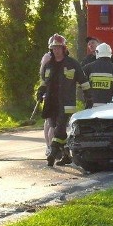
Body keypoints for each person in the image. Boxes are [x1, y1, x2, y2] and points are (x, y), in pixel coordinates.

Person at [39, 34, 92, 167]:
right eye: (54, 48)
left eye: (58, 47)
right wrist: (40, 92)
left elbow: (83, 81)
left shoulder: (72, 64)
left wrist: (88, 97)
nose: (56, 50)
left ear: (64, 48)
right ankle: (67, 156)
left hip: (66, 104)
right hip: (51, 104)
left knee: (59, 128)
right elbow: (44, 82)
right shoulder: (48, 65)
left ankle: (52, 154)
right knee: (60, 131)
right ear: (51, 49)